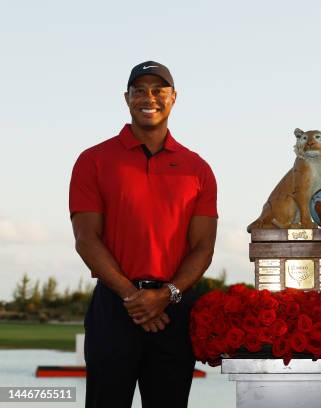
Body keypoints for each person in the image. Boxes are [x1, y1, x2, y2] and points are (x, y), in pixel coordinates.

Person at [69, 61, 218, 408]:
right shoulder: (93, 160)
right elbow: (86, 238)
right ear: (127, 98)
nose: (148, 98)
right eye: (139, 91)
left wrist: (166, 295)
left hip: (174, 309)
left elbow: (203, 247)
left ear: (173, 98)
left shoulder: (198, 168)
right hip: (115, 307)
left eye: (158, 90)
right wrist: (133, 298)